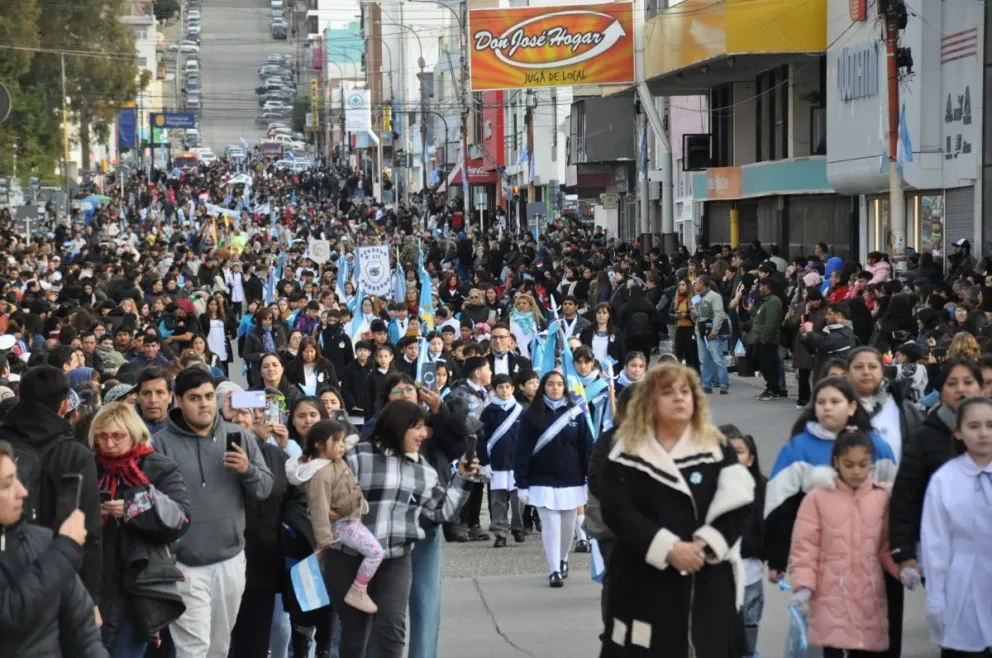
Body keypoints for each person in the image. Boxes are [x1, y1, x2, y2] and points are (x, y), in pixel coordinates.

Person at [598, 362, 754, 657]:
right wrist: (669, 549)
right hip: (643, 577)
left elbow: (738, 503)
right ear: (649, 402)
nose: (679, 398)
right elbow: (617, 511)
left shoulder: (717, 448)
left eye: (686, 391)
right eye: (668, 392)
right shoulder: (625, 452)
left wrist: (704, 546)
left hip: (707, 574)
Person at [321, 400, 478, 658]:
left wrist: (462, 477)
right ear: (398, 427)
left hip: (396, 558)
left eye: (425, 428)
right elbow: (327, 495)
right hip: (349, 558)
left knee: (393, 627)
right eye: (417, 427)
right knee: (355, 635)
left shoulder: (422, 470)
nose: (424, 434)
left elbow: (443, 511)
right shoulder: (358, 456)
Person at [151, 367, 274, 658]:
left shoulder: (239, 436)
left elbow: (265, 488)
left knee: (219, 646)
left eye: (208, 396)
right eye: (195, 397)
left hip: (231, 560)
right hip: (185, 566)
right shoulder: (159, 445)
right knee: (193, 649)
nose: (204, 403)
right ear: (178, 400)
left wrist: (247, 470)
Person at [764, 376, 897, 582]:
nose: (827, 408)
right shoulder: (798, 448)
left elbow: (895, 504)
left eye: (835, 402)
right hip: (821, 560)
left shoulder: (877, 447)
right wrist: (777, 558)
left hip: (873, 558)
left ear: (852, 406)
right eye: (821, 402)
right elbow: (778, 507)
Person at [0, 365, 104, 623]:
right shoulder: (75, 454)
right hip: (62, 578)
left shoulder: (4, 447)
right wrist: (91, 600)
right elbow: (89, 531)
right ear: (62, 407)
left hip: (7, 573)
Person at [788, 428, 900, 657]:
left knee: (866, 648)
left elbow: (887, 545)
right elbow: (805, 546)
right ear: (837, 462)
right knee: (834, 647)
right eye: (849, 465)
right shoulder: (817, 498)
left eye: (863, 464)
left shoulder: (881, 498)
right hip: (831, 592)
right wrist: (803, 585)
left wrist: (904, 569)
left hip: (870, 593)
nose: (856, 471)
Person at [89, 402, 189, 657]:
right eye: (102, 436)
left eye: (117, 436)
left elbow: (181, 519)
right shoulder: (89, 466)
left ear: (132, 433)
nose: (109, 443)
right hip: (95, 579)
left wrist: (133, 508)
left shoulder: (158, 467)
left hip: (140, 581)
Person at [0, 439, 108, 657]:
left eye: (17, 480)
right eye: (6, 484)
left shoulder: (43, 541)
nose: (22, 492)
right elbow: (10, 613)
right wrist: (66, 548)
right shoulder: (58, 549)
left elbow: (83, 628)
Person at [286, 419, 384, 613]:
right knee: (376, 552)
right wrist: (324, 539)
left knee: (324, 573)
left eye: (342, 441)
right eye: (336, 441)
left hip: (351, 519)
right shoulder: (321, 474)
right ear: (319, 445)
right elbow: (319, 508)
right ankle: (358, 590)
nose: (341, 445)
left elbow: (348, 442)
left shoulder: (333, 461)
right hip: (342, 525)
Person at [920, 396, 992, 657]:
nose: (983, 433)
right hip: (962, 583)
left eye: (990, 425)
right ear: (959, 432)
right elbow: (935, 542)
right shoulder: (945, 479)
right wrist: (936, 597)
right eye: (974, 426)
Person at [515, 370, 591, 587]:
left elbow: (587, 447)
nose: (555, 388)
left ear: (565, 387)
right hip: (541, 478)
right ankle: (554, 570)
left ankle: (563, 559)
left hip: (572, 478)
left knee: (568, 527)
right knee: (550, 525)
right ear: (543, 387)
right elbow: (522, 450)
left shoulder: (576, 413)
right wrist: (521, 481)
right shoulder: (532, 414)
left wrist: (590, 477)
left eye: (559, 384)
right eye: (550, 384)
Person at [719, 425, 766, 658]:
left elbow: (771, 531)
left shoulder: (761, 489)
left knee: (747, 639)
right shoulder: (708, 491)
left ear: (750, 459)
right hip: (717, 580)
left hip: (750, 577)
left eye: (738, 451)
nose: (731, 457)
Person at [479, 373, 525, 547]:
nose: (504, 390)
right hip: (496, 462)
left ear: (513, 388)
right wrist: (485, 462)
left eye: (507, 387)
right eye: (500, 387)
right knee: (498, 500)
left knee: (518, 499)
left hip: (516, 463)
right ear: (494, 389)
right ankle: (500, 532)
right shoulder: (488, 412)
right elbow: (481, 439)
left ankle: (517, 527)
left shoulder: (521, 410)